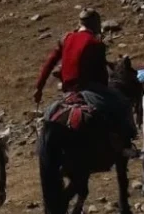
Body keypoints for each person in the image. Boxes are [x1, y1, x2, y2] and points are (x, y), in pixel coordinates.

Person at [35, 8, 135, 146]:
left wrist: (39, 88)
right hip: (89, 88)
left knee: (48, 117)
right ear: (95, 23)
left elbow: (49, 63)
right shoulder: (95, 43)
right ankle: (127, 144)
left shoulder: (65, 39)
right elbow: (102, 74)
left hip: (67, 91)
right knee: (123, 103)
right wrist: (105, 90)